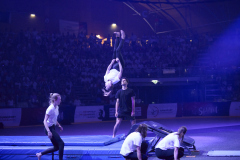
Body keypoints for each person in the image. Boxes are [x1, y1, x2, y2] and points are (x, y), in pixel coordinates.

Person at [36, 93, 64, 160]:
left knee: (56, 147)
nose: (60, 101)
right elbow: (44, 121)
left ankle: (40, 154)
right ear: (55, 100)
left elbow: (54, 119)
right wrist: (48, 131)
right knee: (61, 143)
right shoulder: (50, 108)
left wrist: (59, 125)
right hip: (48, 128)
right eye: (59, 99)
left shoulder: (57, 107)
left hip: (53, 127)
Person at [102, 30, 125, 96]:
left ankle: (117, 36)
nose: (105, 85)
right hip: (120, 65)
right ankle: (123, 38)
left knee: (114, 50)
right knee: (118, 51)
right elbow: (121, 71)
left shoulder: (105, 79)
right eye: (106, 86)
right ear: (109, 86)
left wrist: (112, 62)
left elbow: (108, 69)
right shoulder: (115, 81)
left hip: (114, 66)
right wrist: (119, 62)